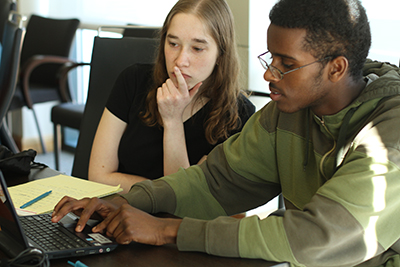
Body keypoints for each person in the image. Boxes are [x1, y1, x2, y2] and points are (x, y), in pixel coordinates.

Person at [52, 0, 400, 266]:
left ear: (336, 68)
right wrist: (122, 203)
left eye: (287, 65)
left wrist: (164, 230)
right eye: (271, 59)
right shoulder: (285, 115)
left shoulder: (390, 136)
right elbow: (213, 181)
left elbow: (316, 235)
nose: (269, 76)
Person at [89, 0, 255, 193]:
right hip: (118, 212)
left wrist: (173, 121)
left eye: (197, 48)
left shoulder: (238, 114)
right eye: (173, 44)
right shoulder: (133, 80)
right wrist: (160, 192)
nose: (180, 60)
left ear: (221, 53)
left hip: (180, 223)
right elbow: (98, 176)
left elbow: (184, 197)